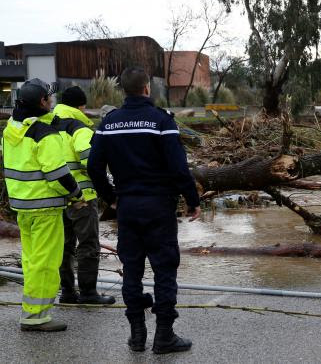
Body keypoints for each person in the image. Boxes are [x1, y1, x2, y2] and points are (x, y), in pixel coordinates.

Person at [88, 67, 200, 354]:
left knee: (132, 272)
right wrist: (192, 199)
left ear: (123, 90)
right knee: (164, 271)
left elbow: (94, 167)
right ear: (147, 88)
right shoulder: (161, 121)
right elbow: (178, 167)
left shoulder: (108, 123)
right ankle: (164, 336)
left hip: (127, 208)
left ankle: (137, 336)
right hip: (159, 207)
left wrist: (110, 198)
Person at [2, 79, 82, 331]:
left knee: (31, 260)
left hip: (22, 207)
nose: (53, 101)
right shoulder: (44, 134)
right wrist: (77, 194)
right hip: (45, 208)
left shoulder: (12, 128)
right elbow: (57, 173)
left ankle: (31, 311)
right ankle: (36, 317)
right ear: (42, 102)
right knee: (46, 263)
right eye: (50, 97)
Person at [52, 86, 116, 305]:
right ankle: (88, 292)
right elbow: (90, 163)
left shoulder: (45, 124)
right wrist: (108, 191)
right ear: (81, 106)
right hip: (81, 197)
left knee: (64, 245)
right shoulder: (79, 128)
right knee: (88, 244)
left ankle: (67, 292)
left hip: (54, 196)